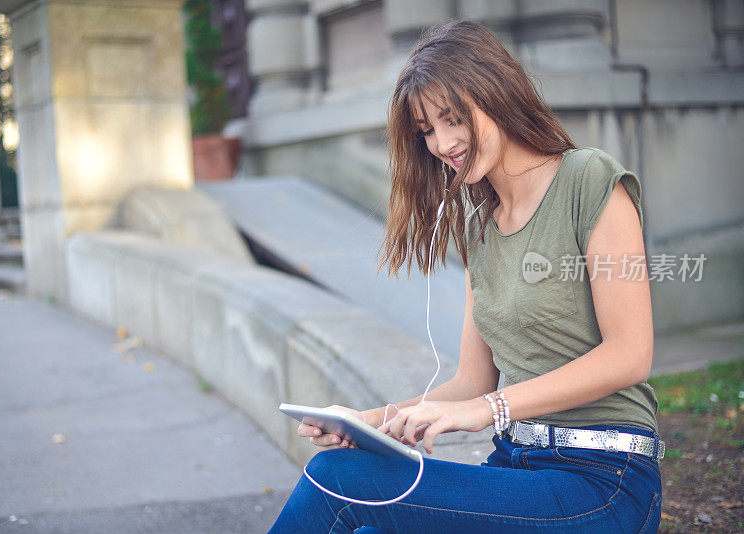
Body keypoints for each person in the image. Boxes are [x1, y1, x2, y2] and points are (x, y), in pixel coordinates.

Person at [268, 19, 663, 533]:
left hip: (604, 481)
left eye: (453, 118)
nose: (442, 143)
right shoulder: (479, 223)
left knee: (336, 480)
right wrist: (368, 422)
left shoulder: (589, 179)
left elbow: (630, 354)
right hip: (517, 469)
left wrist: (489, 409)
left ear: (494, 92)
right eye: (427, 130)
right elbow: (472, 382)